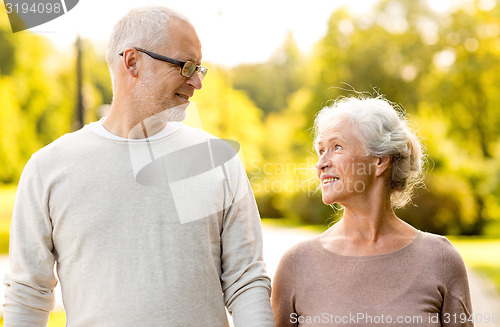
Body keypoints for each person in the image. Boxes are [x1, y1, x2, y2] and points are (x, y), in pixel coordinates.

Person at [3, 6, 274, 326]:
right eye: (186, 66)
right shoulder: (49, 167)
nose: (196, 82)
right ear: (132, 61)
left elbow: (246, 282)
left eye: (199, 68)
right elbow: (27, 293)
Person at [271, 96, 473, 327]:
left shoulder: (441, 259)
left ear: (379, 161)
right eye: (320, 151)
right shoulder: (297, 264)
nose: (321, 164)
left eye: (337, 147)